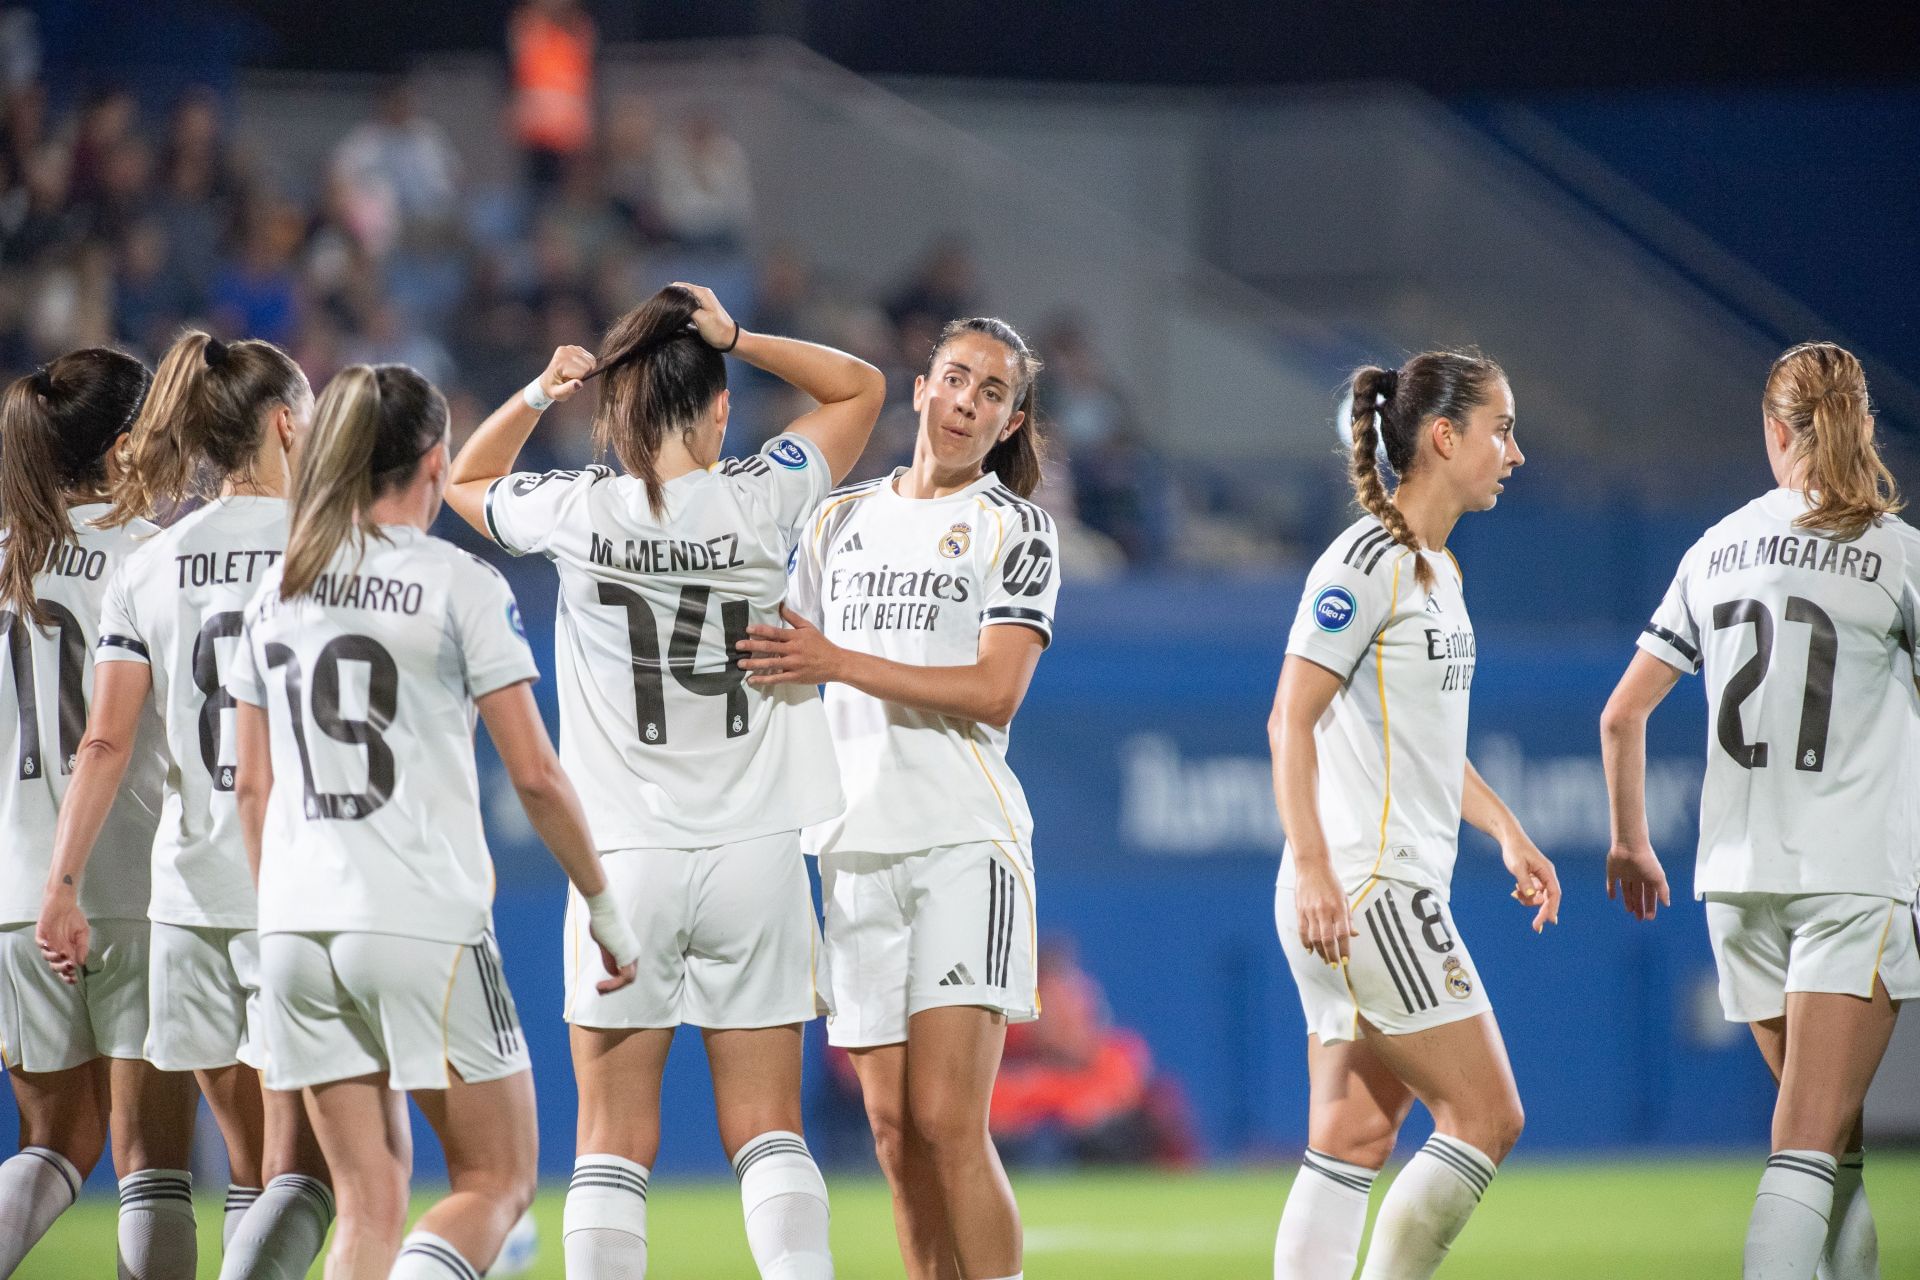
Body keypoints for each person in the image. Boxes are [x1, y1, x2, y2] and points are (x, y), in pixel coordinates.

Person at [443, 281, 882, 1279]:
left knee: (611, 1137)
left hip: (620, 860)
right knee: (769, 1126)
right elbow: (860, 390)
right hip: (755, 848)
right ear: (723, 407)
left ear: (621, 407)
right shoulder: (764, 494)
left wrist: (538, 394)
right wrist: (742, 335)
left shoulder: (576, 509)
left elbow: (465, 482)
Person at [228, 362, 641, 1280]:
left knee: (367, 1205)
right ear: (434, 460)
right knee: (495, 1183)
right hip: (419, 919)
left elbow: (250, 791)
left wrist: (277, 918)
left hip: (295, 926)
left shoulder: (277, 591)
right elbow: (535, 774)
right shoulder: (458, 584)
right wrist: (608, 912)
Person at [739, 316, 1060, 1280]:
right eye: (957, 379)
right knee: (890, 1134)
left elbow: (996, 690)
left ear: (1008, 423)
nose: (969, 401)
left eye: (993, 392)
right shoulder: (838, 519)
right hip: (854, 849)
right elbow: (784, 663)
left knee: (948, 1123)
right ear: (919, 389)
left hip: (965, 844)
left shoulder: (1016, 527)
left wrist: (839, 659)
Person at [1600, 341, 1919, 1280]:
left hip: (1736, 887)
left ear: (1774, 431)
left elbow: (1621, 716)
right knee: (1807, 1144)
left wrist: (1630, 843)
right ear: (1861, 425)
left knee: (1836, 1143)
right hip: (1846, 879)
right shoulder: (1896, 555)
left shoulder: (1717, 548)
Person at [36, 330, 336, 1279]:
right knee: (305, 1176)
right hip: (300, 893)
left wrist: (64, 882)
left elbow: (106, 742)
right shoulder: (331, 549)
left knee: (214, 1168)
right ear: (288, 423)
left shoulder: (150, 564)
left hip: (186, 904)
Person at [1266, 351, 1559, 1280]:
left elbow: (1426, 744)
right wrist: (1314, 867)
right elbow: (1289, 717)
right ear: (1444, 437)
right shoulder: (1367, 560)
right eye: (1500, 429)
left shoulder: (1437, 572)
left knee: (1351, 1136)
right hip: (1366, 887)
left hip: (1373, 884)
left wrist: (1504, 826)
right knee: (1488, 1118)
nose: (1514, 451)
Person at [0, 349, 196, 1279]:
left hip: (11, 893)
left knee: (57, 1135)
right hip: (131, 883)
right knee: (151, 1160)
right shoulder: (152, 559)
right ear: (123, 450)